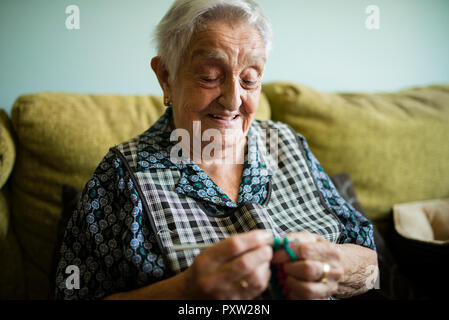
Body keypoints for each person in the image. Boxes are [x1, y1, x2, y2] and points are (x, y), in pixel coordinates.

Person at [55, 0, 378, 300]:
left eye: (250, 79)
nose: (233, 99)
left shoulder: (287, 142)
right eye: (210, 77)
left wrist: (334, 268)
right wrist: (187, 290)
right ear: (166, 77)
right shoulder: (123, 175)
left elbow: (372, 262)